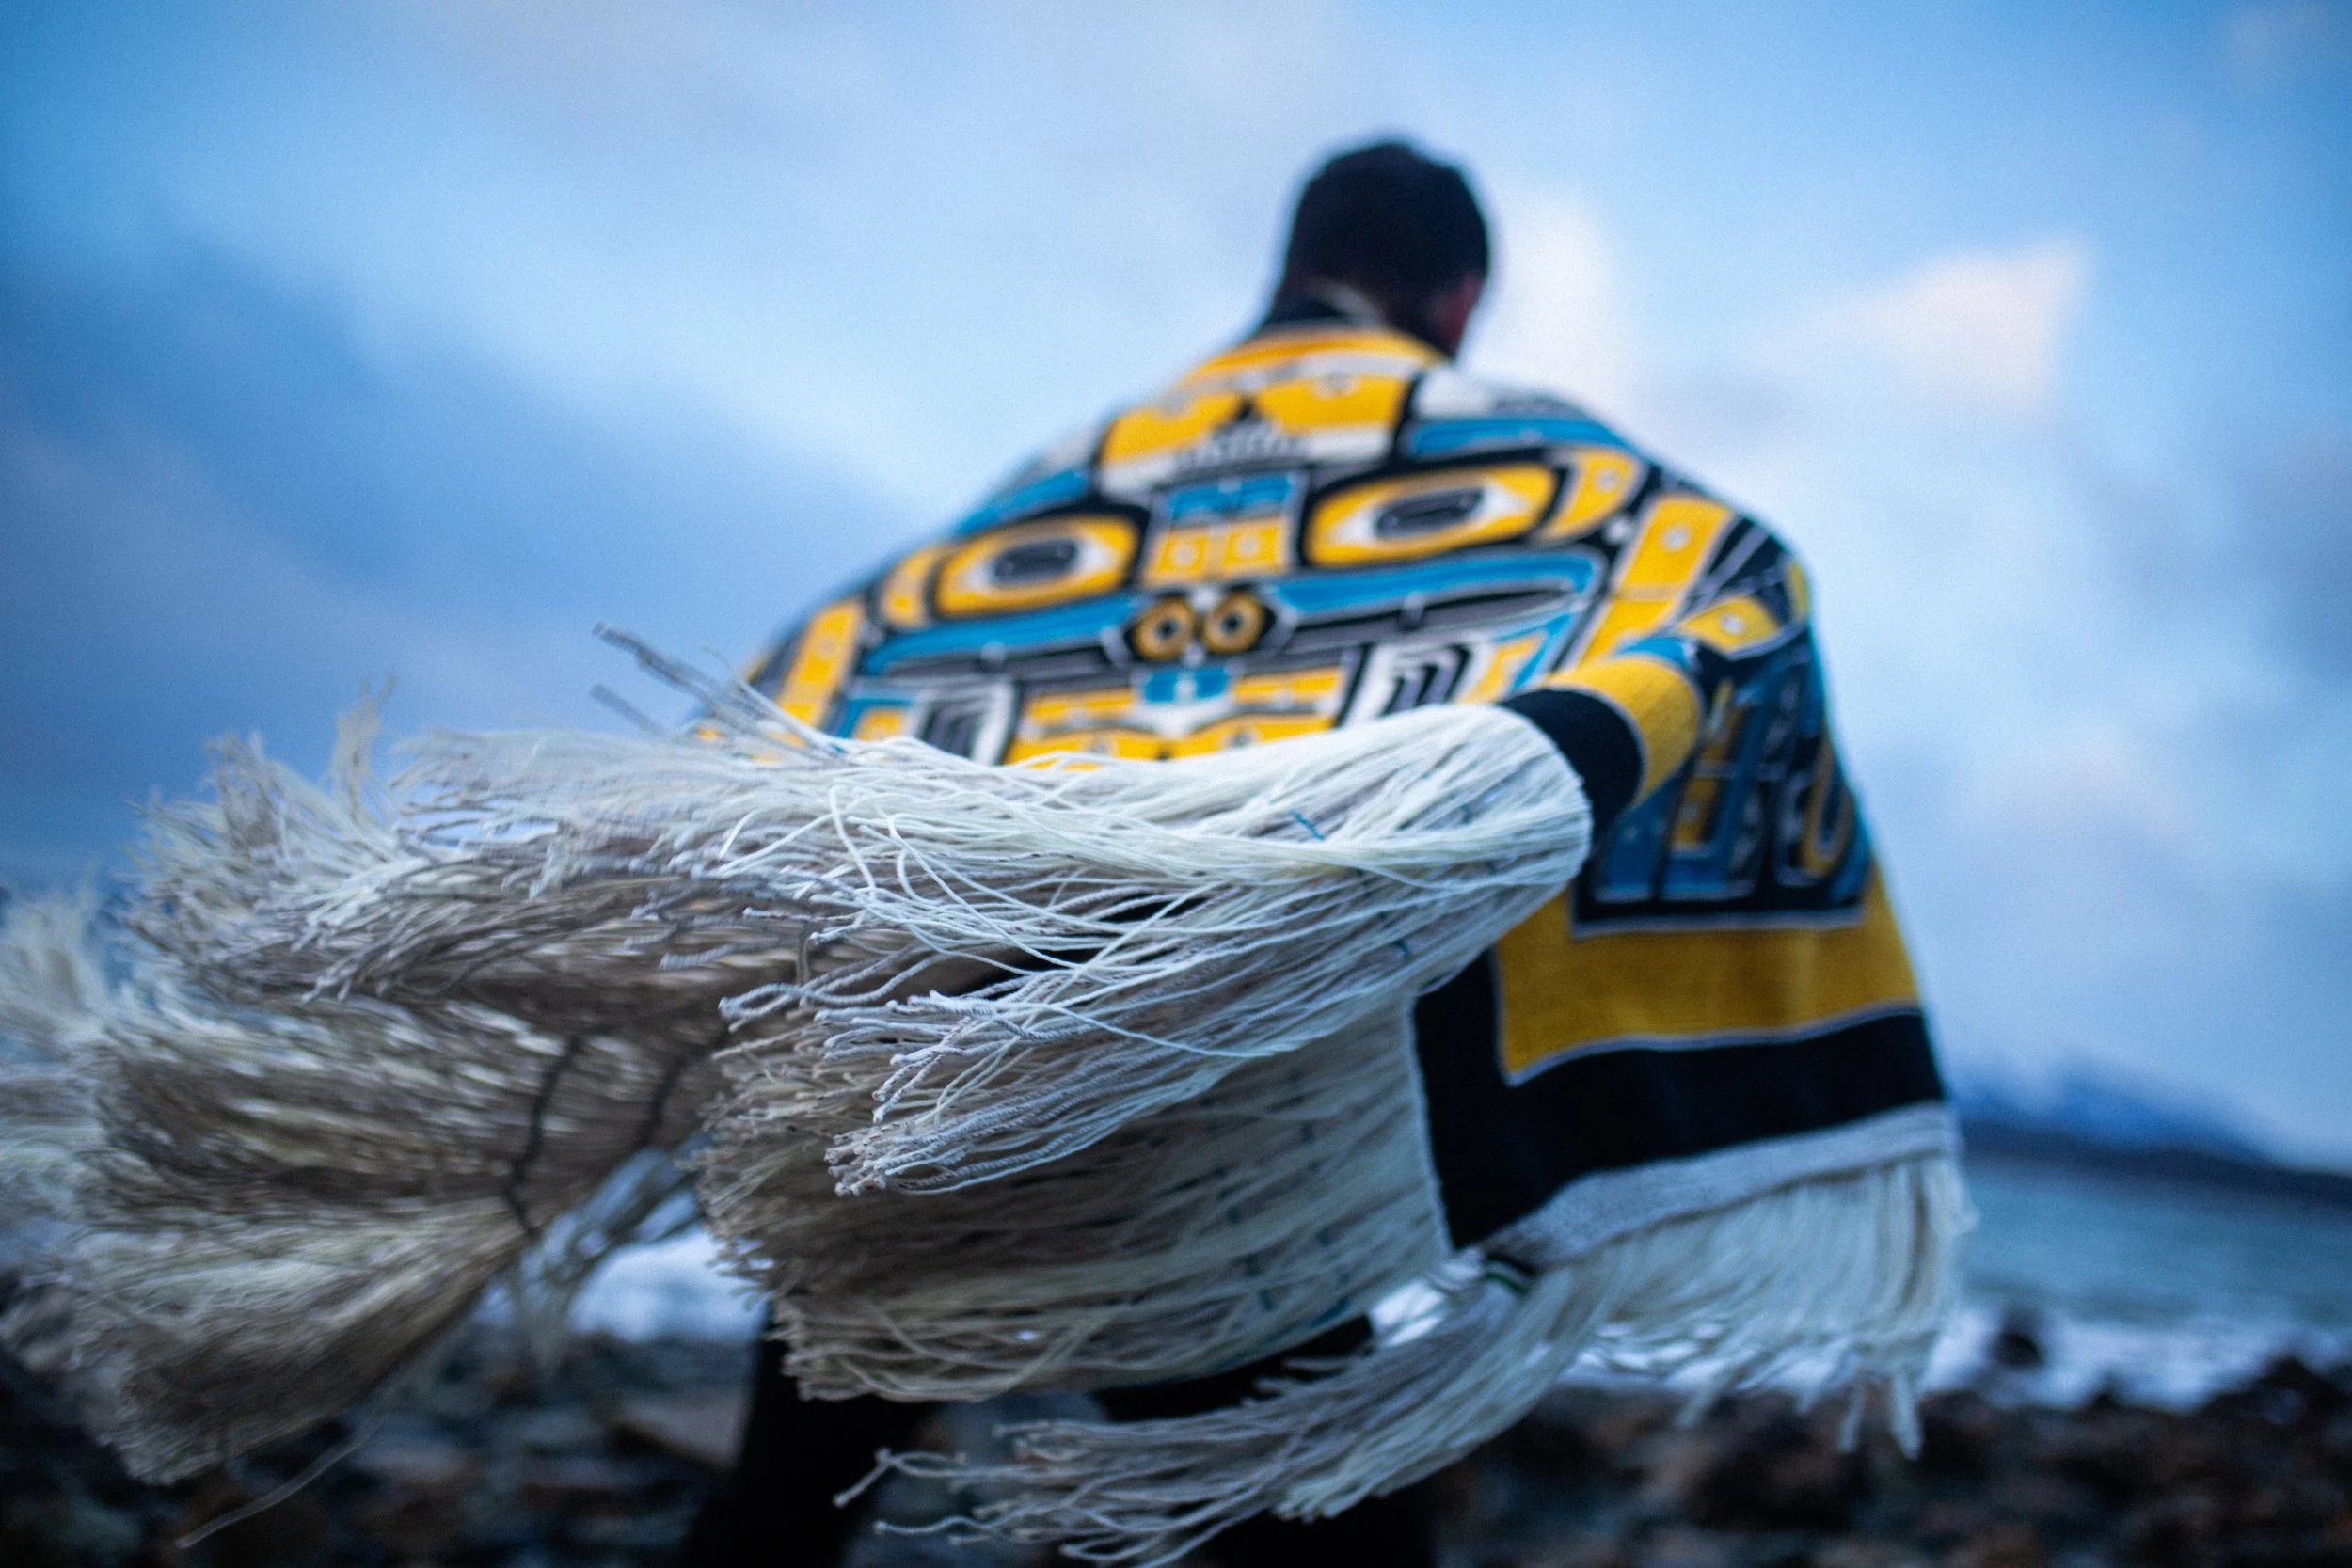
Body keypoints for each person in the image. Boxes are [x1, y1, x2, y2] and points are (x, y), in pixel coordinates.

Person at [680, 138, 1948, 1566]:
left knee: (784, 1500)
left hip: (929, 1061)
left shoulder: (1085, 463)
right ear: (1460, 295)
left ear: (1291, 255)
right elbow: (1731, 583)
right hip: (1213, 1097)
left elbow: (826, 661)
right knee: (1319, 1523)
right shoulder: (1506, 447)